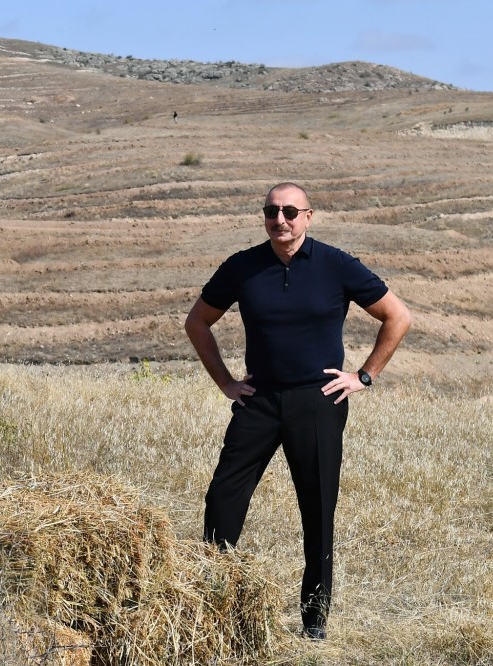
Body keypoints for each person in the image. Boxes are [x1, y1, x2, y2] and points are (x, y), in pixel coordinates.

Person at [184, 182, 411, 640]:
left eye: (290, 211)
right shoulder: (242, 267)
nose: (280, 219)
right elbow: (197, 322)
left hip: (318, 400)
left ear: (309, 216)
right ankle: (211, 600)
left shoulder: (336, 265)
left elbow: (397, 317)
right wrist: (227, 383)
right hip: (259, 400)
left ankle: (314, 620)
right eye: (271, 211)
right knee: (223, 498)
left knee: (318, 508)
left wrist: (362, 376)